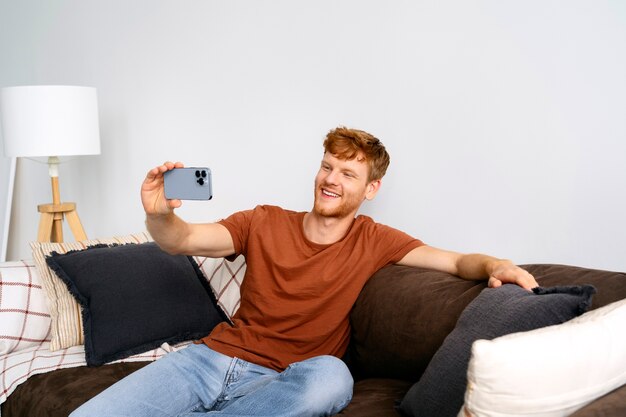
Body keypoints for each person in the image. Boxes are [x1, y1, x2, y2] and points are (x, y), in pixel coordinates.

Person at [71, 127, 538, 417]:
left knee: (333, 378)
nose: (331, 179)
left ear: (371, 189)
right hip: (208, 362)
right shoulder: (264, 220)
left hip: (288, 380)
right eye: (327, 166)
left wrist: (496, 264)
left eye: (348, 174)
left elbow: (456, 262)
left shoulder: (375, 239)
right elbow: (183, 240)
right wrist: (158, 214)